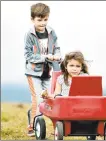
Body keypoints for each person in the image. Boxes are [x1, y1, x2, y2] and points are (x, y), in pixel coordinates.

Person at [24, 3, 61, 136]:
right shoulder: (29, 35)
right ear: (32, 19)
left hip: (48, 73)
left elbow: (56, 47)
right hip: (33, 73)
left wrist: (57, 57)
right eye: (39, 20)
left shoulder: (51, 32)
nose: (43, 23)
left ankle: (56, 128)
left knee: (51, 99)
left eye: (45, 19)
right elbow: (28, 55)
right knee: (38, 99)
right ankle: (32, 127)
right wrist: (45, 57)